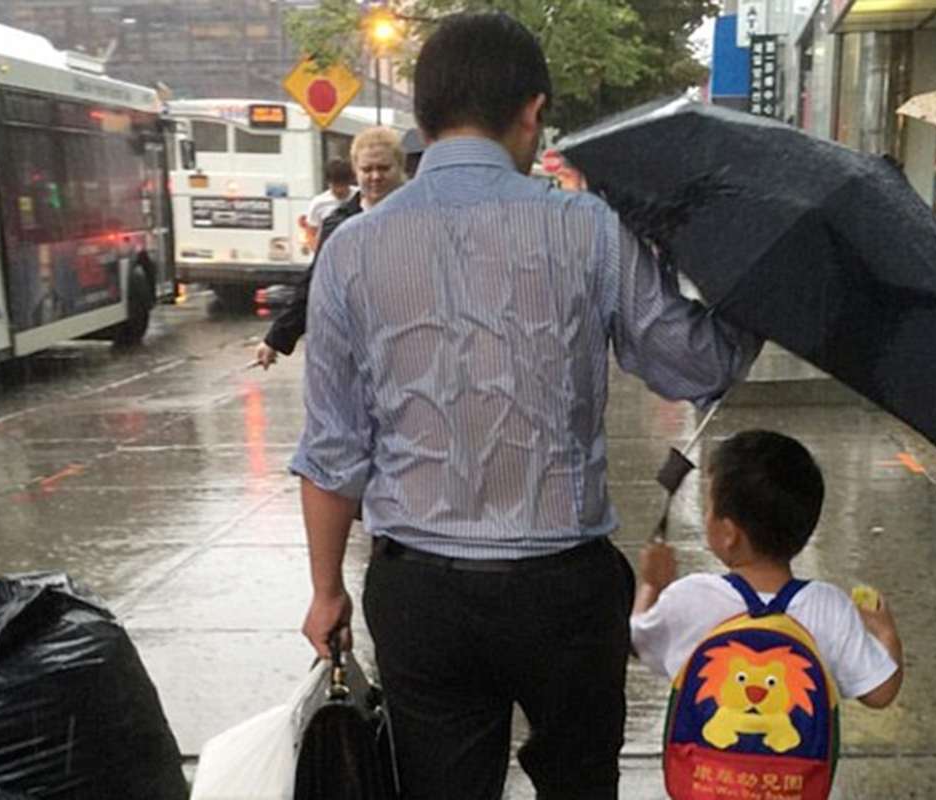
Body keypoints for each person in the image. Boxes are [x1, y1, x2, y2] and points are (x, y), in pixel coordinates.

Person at [290, 12, 761, 799]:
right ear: (533, 110)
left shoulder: (350, 251)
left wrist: (326, 589)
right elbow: (696, 364)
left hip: (421, 596)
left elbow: (333, 449)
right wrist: (735, 279)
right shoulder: (590, 229)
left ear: (421, 119)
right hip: (564, 596)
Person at [631, 430, 904, 715]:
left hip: (707, 747)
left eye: (709, 507)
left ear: (729, 533)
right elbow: (881, 692)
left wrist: (652, 586)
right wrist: (886, 632)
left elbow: (636, 639)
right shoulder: (830, 607)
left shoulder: (690, 597)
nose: (706, 515)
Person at [254, 127, 405, 369]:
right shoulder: (338, 224)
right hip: (355, 349)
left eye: (384, 168)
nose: (375, 176)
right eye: (367, 169)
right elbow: (315, 284)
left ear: (400, 167)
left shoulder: (422, 217)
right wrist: (276, 339)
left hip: (410, 347)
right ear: (356, 171)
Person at [302, 157, 356, 252]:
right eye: (335, 185)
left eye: (342, 185)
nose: (339, 190)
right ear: (328, 183)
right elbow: (311, 233)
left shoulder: (360, 196)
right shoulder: (319, 203)